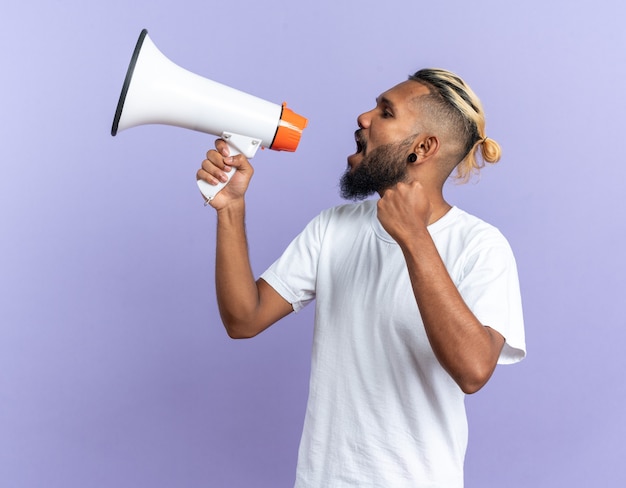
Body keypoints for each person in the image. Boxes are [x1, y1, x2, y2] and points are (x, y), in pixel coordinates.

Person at [197, 68, 526, 488]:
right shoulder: (333, 227)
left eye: (385, 112)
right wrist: (230, 208)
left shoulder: (481, 246)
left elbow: (474, 370)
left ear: (422, 148)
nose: (363, 117)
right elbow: (244, 319)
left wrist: (413, 236)